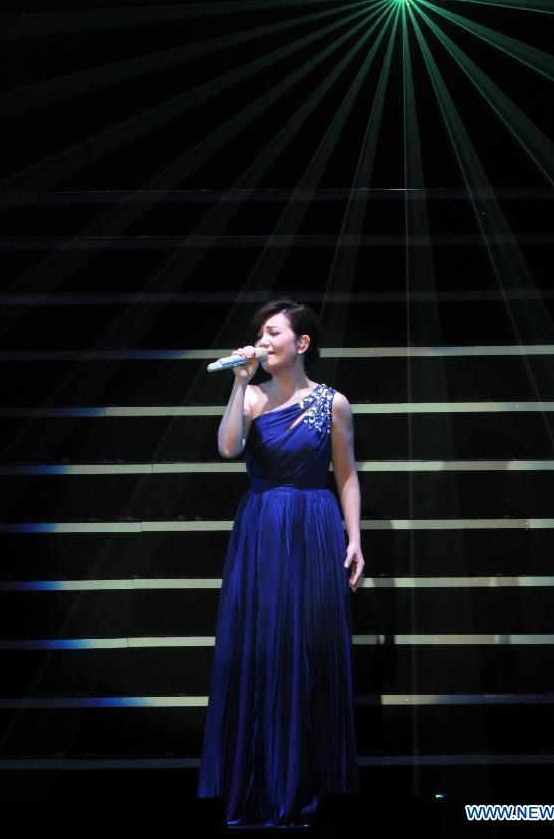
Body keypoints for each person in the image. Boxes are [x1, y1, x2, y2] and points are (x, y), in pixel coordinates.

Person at [197, 299, 364, 827]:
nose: (264, 341)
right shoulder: (248, 396)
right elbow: (227, 450)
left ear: (302, 344)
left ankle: (307, 788)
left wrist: (354, 538)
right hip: (263, 526)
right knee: (262, 647)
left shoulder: (333, 403)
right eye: (261, 334)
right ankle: (257, 785)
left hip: (314, 525)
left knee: (307, 652)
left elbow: (347, 475)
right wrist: (237, 384)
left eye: (273, 334)